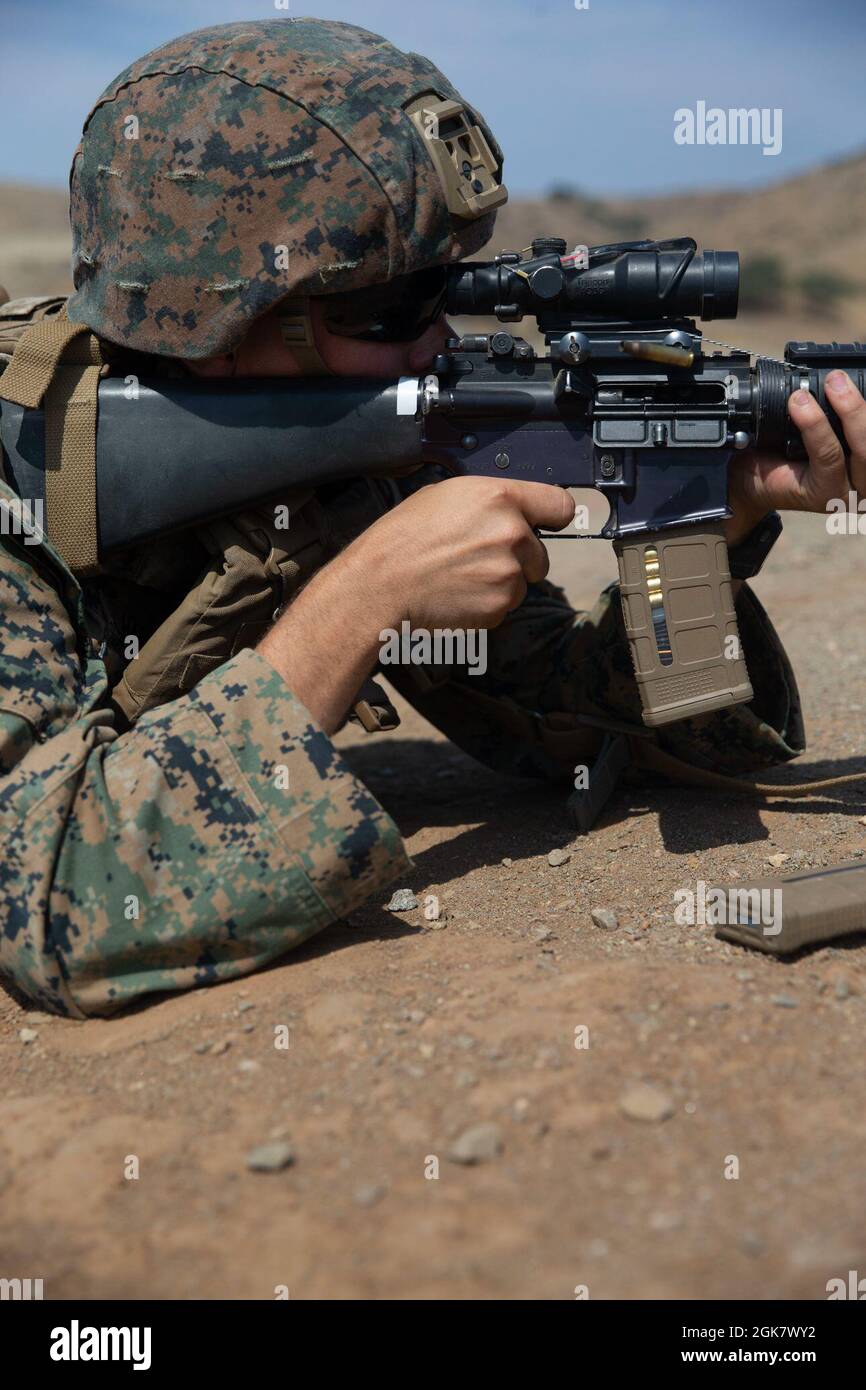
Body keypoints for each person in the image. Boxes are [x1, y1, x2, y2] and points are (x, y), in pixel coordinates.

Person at [1, 17, 864, 1019]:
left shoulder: (369, 453)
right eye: (390, 308)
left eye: (443, 292)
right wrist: (360, 602)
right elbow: (51, 905)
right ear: (217, 322)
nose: (439, 338)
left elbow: (578, 724)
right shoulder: (28, 478)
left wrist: (709, 518)